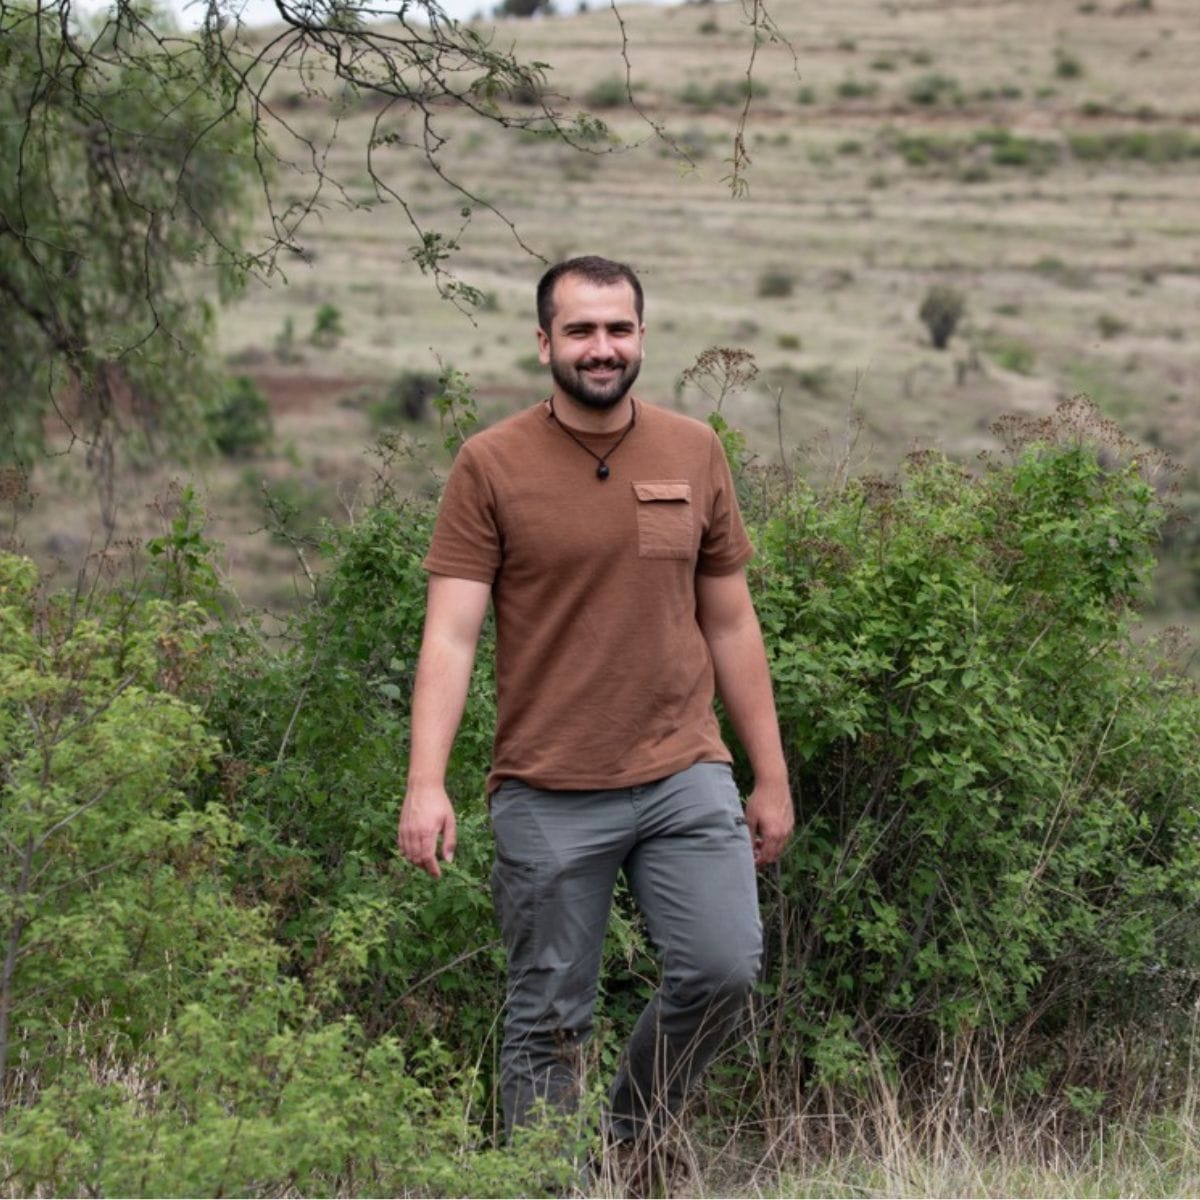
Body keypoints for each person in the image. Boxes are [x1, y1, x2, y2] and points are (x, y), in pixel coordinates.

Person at [398, 255, 793, 1178]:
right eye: (580, 330)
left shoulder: (694, 450)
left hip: (683, 772)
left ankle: (625, 1141)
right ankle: (549, 1183)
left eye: (618, 328)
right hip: (547, 787)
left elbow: (731, 621)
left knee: (724, 967)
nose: (602, 347)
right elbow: (450, 639)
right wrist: (426, 783)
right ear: (545, 343)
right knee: (548, 1018)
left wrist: (769, 775)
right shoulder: (489, 464)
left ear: (643, 337)